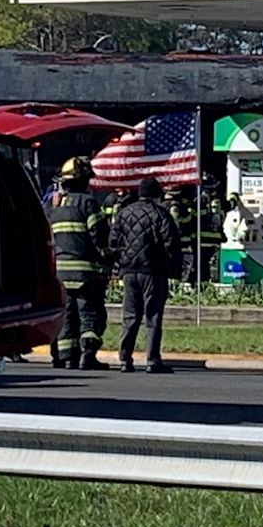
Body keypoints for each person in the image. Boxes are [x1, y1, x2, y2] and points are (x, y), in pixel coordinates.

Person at [110, 176, 180, 375]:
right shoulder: (161, 214)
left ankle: (125, 359)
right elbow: (171, 243)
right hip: (154, 272)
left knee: (130, 316)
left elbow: (113, 242)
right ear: (156, 194)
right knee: (153, 316)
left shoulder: (124, 213)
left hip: (129, 272)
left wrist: (122, 261)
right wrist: (172, 267)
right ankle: (152, 359)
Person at [48, 156, 109, 371]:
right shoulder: (88, 203)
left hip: (60, 275)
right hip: (86, 274)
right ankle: (88, 356)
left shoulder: (52, 206)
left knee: (67, 317)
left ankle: (66, 357)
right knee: (90, 316)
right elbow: (100, 236)